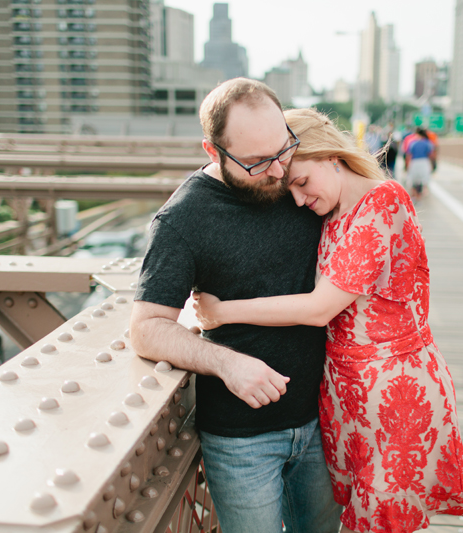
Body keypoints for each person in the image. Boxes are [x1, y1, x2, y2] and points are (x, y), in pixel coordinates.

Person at [194, 108, 463, 533]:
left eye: (301, 183)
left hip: (393, 393)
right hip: (347, 393)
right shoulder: (332, 212)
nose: (298, 199)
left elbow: (319, 308)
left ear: (331, 155)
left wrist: (221, 312)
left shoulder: (383, 202)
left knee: (382, 523)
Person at [129, 79, 342, 533]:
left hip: (325, 418)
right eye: (256, 162)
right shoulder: (182, 220)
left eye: (282, 149)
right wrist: (226, 363)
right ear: (212, 151)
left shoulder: (298, 173)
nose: (276, 171)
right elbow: (147, 327)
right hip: (241, 441)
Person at [403, 128, 434, 202]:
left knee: (413, 180)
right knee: (424, 180)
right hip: (424, 162)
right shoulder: (428, 143)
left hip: (414, 162)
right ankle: (421, 194)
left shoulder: (413, 143)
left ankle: (414, 195)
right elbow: (431, 155)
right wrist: (432, 164)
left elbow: (408, 155)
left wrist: (407, 166)